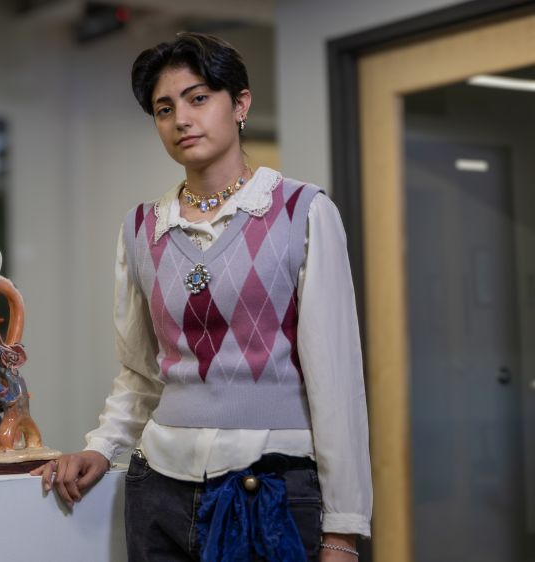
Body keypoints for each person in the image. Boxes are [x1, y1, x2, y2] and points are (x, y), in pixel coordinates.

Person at [31, 32, 372, 562]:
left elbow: (337, 381)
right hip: (158, 489)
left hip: (269, 490)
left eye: (197, 98)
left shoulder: (301, 212)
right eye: (164, 109)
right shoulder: (141, 228)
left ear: (240, 104)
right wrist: (102, 446)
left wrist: (342, 533)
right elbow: (141, 372)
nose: (181, 120)